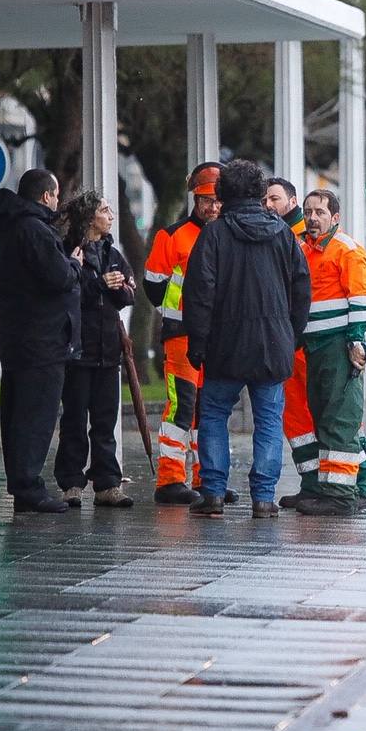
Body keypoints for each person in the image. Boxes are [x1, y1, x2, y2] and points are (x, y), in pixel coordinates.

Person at [182, 160, 311, 518]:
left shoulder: (214, 235)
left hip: (224, 344)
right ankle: (264, 498)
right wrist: (291, 335)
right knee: (269, 419)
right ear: (258, 193)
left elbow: (199, 293)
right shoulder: (282, 234)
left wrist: (198, 343)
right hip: (273, 343)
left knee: (212, 415)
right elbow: (302, 290)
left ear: (223, 194)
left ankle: (212, 493)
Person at [0, 169, 81, 514]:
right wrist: (73, 264)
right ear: (45, 197)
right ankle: (29, 487)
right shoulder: (34, 230)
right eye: (55, 196)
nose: (57, 202)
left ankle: (22, 483)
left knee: (16, 412)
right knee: (36, 414)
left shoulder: (4, 228)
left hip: (15, 332)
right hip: (43, 337)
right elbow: (58, 277)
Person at [143, 163, 235, 505]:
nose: (211, 206)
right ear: (194, 199)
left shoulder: (225, 234)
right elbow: (153, 285)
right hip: (181, 336)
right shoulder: (172, 236)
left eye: (216, 200)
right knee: (182, 406)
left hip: (217, 338)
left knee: (210, 409)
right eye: (205, 199)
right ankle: (170, 480)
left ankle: (207, 479)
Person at [292, 190, 366, 517]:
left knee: (339, 418)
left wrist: (356, 340)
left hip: (339, 346)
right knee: (324, 416)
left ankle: (341, 495)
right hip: (315, 346)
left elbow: (360, 299)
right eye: (308, 212)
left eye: (320, 212)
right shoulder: (305, 251)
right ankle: (331, 489)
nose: (313, 218)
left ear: (335, 217)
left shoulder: (346, 250)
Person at [53, 190, 136, 509]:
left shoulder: (112, 252)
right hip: (78, 348)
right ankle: (71, 483)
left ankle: (107, 484)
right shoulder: (70, 251)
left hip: (108, 349)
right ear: (90, 218)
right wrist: (102, 284)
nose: (111, 215)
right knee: (74, 418)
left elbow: (128, 293)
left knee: (105, 420)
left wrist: (120, 288)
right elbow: (69, 291)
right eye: (104, 210)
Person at [262, 178, 321, 502]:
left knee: (311, 413)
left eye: (274, 198)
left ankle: (324, 484)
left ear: (292, 200)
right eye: (265, 199)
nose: (268, 205)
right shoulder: (281, 235)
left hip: (304, 339)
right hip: (292, 338)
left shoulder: (298, 238)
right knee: (297, 415)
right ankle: (312, 483)